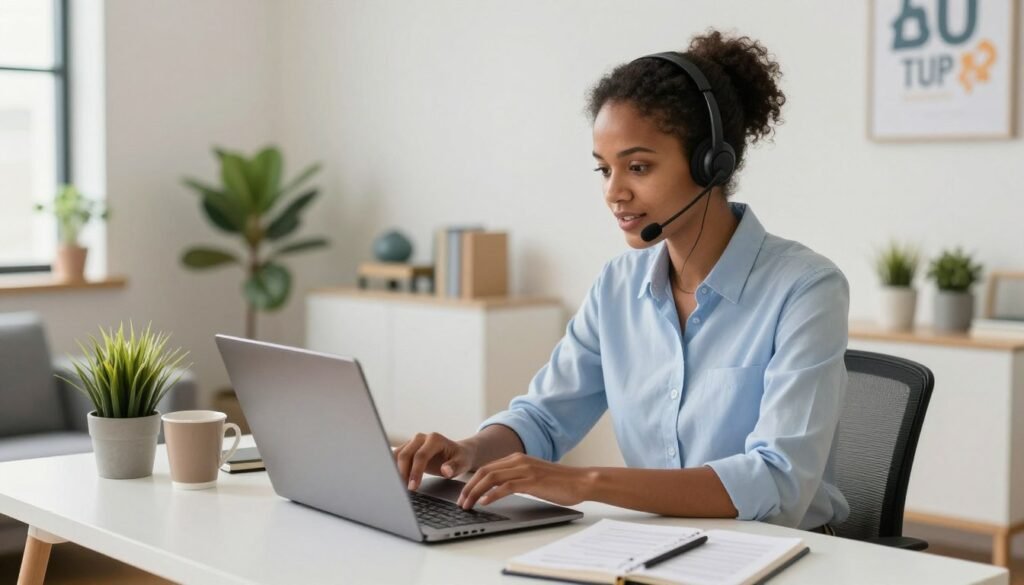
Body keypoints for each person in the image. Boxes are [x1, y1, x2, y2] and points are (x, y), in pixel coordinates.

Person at [395, 29, 849, 533]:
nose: (615, 193)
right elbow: (545, 418)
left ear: (710, 163)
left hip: (785, 552)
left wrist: (587, 483)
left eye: (637, 166)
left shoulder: (806, 289)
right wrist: (468, 452)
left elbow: (777, 482)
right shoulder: (617, 286)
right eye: (604, 169)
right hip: (662, 545)